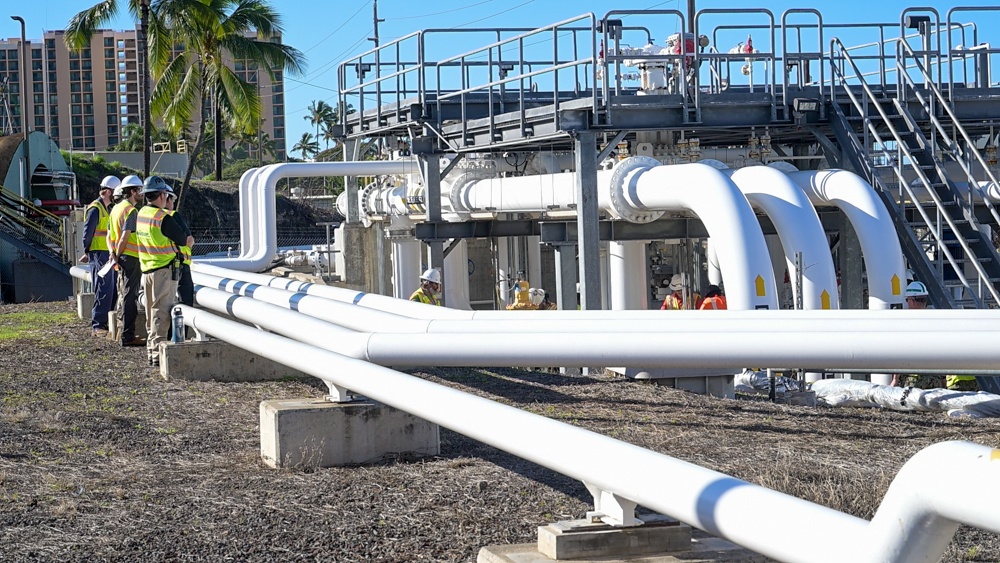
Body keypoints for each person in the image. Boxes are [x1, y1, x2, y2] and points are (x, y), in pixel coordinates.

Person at [136, 176, 192, 367]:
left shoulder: (142, 213)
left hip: (147, 270)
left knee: (151, 312)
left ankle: (151, 350)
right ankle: (158, 353)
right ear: (161, 195)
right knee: (161, 313)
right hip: (163, 271)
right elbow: (183, 239)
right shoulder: (162, 218)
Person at [78, 175, 120, 335]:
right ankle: (98, 325)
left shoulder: (105, 209)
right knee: (103, 289)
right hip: (99, 254)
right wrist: (88, 252)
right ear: (109, 192)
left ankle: (106, 322)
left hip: (107, 254)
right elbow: (87, 233)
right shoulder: (96, 209)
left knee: (111, 289)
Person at [108, 174, 146, 347]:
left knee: (123, 294)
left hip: (120, 257)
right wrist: (118, 252)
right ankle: (127, 336)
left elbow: (109, 235)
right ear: (132, 191)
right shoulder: (131, 211)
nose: (142, 194)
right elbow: (124, 237)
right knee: (131, 296)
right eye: (139, 190)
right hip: (130, 257)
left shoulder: (116, 208)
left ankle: (121, 332)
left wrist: (112, 253)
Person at [165, 189, 194, 306]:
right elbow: (189, 240)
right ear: (166, 199)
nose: (173, 204)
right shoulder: (172, 215)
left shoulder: (150, 216)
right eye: (172, 200)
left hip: (161, 265)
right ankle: (183, 324)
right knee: (185, 300)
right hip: (180, 263)